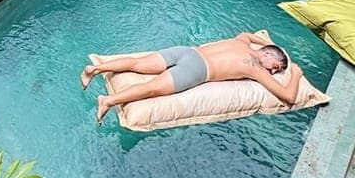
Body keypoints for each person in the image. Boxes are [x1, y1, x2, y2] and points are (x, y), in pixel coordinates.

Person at [82, 31, 300, 125]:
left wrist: (262, 44)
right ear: (268, 54)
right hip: (197, 69)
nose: (273, 72)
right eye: (276, 67)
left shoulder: (241, 42)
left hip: (186, 51)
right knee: (151, 88)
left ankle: (94, 69)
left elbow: (249, 34)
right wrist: (296, 75)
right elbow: (288, 97)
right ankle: (108, 101)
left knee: (137, 64)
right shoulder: (255, 67)